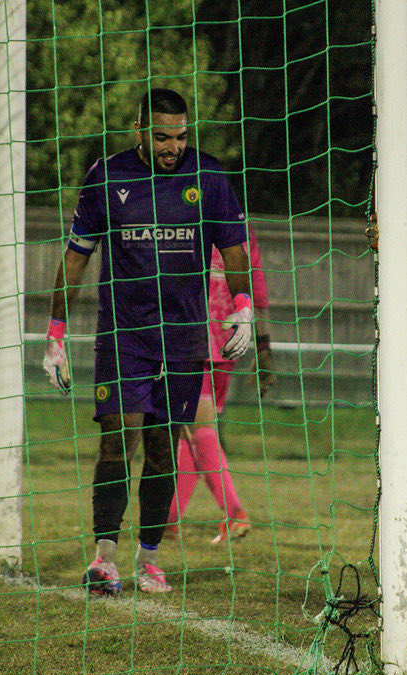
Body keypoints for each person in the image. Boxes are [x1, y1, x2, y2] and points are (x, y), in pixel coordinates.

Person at [42, 88, 255, 596]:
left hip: (182, 338)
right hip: (124, 335)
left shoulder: (209, 176)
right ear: (138, 131)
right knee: (119, 437)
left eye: (180, 136)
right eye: (162, 137)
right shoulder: (107, 176)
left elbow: (234, 248)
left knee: (162, 449)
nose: (173, 147)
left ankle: (149, 560)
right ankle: (105, 558)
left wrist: (243, 307)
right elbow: (76, 257)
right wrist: (55, 335)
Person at [164, 225, 275, 546]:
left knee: (198, 430)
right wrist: (264, 350)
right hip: (229, 340)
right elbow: (258, 294)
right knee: (195, 433)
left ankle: (235, 514)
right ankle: (169, 520)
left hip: (190, 337)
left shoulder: (182, 219)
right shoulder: (242, 229)